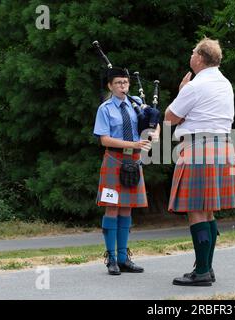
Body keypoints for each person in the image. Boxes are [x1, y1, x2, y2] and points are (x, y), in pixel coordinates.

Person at [164, 38, 235, 286]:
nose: (191, 54)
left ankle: (203, 272)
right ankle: (207, 267)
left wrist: (181, 91)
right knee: (207, 210)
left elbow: (171, 116)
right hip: (223, 146)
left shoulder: (194, 86)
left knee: (196, 208)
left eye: (193, 51)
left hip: (199, 147)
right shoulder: (226, 83)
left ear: (200, 58)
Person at [93, 67, 159, 275]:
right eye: (119, 83)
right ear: (110, 86)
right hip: (114, 159)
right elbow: (104, 139)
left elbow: (154, 120)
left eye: (125, 83)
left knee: (127, 208)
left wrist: (154, 133)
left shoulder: (136, 104)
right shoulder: (105, 109)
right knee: (112, 207)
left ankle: (123, 258)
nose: (123, 86)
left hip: (133, 159)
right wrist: (133, 143)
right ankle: (111, 259)